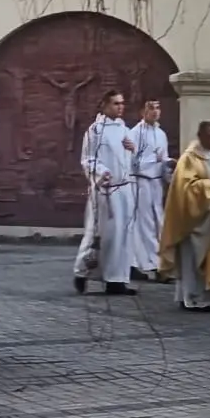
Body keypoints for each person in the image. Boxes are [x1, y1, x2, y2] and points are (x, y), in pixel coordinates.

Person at [159, 121, 210, 312]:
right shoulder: (189, 158)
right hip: (198, 221)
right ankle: (197, 298)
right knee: (195, 258)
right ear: (200, 136)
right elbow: (185, 188)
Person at [72, 90, 137, 296]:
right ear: (105, 105)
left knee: (122, 236)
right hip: (105, 191)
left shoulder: (124, 129)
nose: (120, 107)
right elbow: (88, 159)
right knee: (100, 234)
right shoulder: (96, 131)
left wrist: (132, 149)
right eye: (116, 103)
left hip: (124, 189)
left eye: (122, 103)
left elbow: (128, 161)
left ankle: (116, 280)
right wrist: (102, 172)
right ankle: (81, 272)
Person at [127, 99, 173, 280]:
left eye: (158, 108)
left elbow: (163, 158)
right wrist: (155, 161)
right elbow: (133, 162)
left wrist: (168, 168)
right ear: (142, 112)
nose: (155, 111)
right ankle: (151, 264)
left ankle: (161, 261)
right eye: (151, 108)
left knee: (158, 221)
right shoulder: (134, 133)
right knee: (145, 224)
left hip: (156, 184)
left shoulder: (161, 134)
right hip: (141, 182)